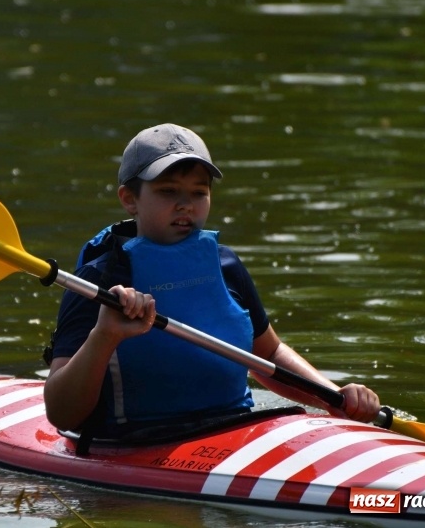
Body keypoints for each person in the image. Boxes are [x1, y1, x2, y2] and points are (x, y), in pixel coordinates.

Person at [43, 123, 380, 438]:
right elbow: (61, 415)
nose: (185, 205)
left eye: (199, 192)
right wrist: (104, 336)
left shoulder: (226, 265)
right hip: (134, 442)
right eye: (168, 191)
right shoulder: (97, 281)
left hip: (234, 430)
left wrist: (335, 397)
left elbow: (269, 354)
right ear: (130, 199)